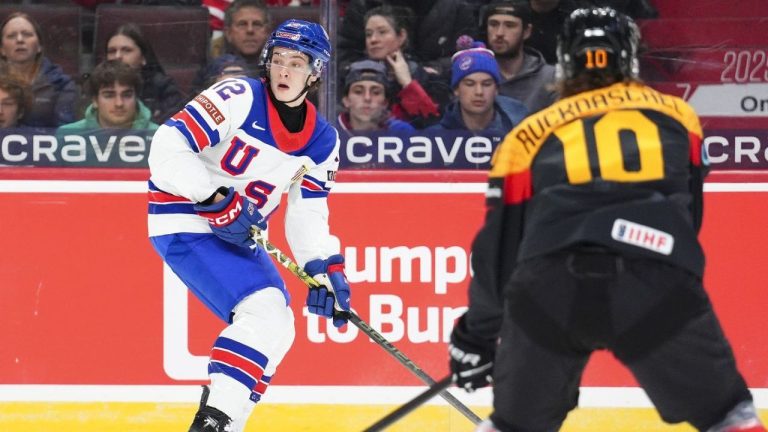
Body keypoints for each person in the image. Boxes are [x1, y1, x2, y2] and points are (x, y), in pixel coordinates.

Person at [448, 7, 767, 432]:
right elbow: (689, 218)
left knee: (513, 425)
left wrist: (477, 336)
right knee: (730, 415)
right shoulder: (679, 117)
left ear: (566, 58)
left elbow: (497, 249)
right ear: (629, 57)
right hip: (653, 275)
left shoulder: (528, 132)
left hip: (549, 287)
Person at [147, 19, 351, 432]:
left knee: (281, 329)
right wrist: (211, 197)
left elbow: (307, 213)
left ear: (315, 72)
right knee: (265, 313)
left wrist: (324, 269)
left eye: (297, 62)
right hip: (183, 215)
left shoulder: (324, 142)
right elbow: (166, 146)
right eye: (278, 60)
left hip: (241, 234)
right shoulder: (238, 95)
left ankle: (226, 423)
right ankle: (212, 423)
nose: (284, 71)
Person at [430, 36, 528, 133]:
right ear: (456, 89)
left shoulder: (522, 130)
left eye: (486, 84)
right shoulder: (434, 139)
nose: (479, 92)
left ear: (496, 89)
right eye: (470, 84)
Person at [0, 12, 76, 128]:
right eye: (11, 36)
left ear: (40, 46)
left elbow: (64, 132)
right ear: (2, 50)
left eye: (27, 34)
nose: (20, 40)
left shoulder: (61, 84)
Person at [481, 1, 557, 114]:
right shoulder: (474, 74)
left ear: (526, 32)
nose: (499, 33)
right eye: (493, 24)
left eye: (510, 25)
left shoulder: (549, 78)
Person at [105, 23, 185, 124]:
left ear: (143, 58)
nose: (117, 56)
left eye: (126, 50)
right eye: (112, 51)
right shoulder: (96, 87)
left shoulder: (163, 87)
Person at [57, 60, 159, 133]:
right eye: (109, 95)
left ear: (136, 98)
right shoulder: (67, 136)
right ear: (95, 100)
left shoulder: (159, 137)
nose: (119, 103)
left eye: (127, 95)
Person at [194, 0, 272, 93]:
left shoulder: (277, 65)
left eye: (257, 24)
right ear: (228, 33)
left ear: (267, 32)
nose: (250, 30)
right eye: (242, 24)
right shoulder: (218, 65)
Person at [337, 59, 414, 132]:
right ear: (346, 100)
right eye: (358, 92)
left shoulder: (401, 133)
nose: (367, 98)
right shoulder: (330, 133)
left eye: (376, 92)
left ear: (385, 103)